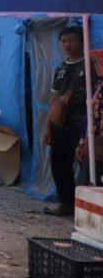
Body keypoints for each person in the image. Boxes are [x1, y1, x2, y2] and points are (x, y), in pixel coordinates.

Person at [44, 26, 90, 216]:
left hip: (83, 125)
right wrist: (48, 127)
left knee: (87, 166)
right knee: (60, 166)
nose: (67, 45)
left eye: (71, 40)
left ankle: (88, 208)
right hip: (60, 124)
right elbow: (54, 98)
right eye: (63, 41)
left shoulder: (90, 65)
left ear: (81, 42)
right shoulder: (61, 69)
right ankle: (66, 204)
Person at [76, 49, 103, 187]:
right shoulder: (98, 85)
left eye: (98, 63)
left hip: (98, 146)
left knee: (88, 185)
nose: (95, 66)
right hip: (91, 142)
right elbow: (89, 116)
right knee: (85, 183)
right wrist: (82, 142)